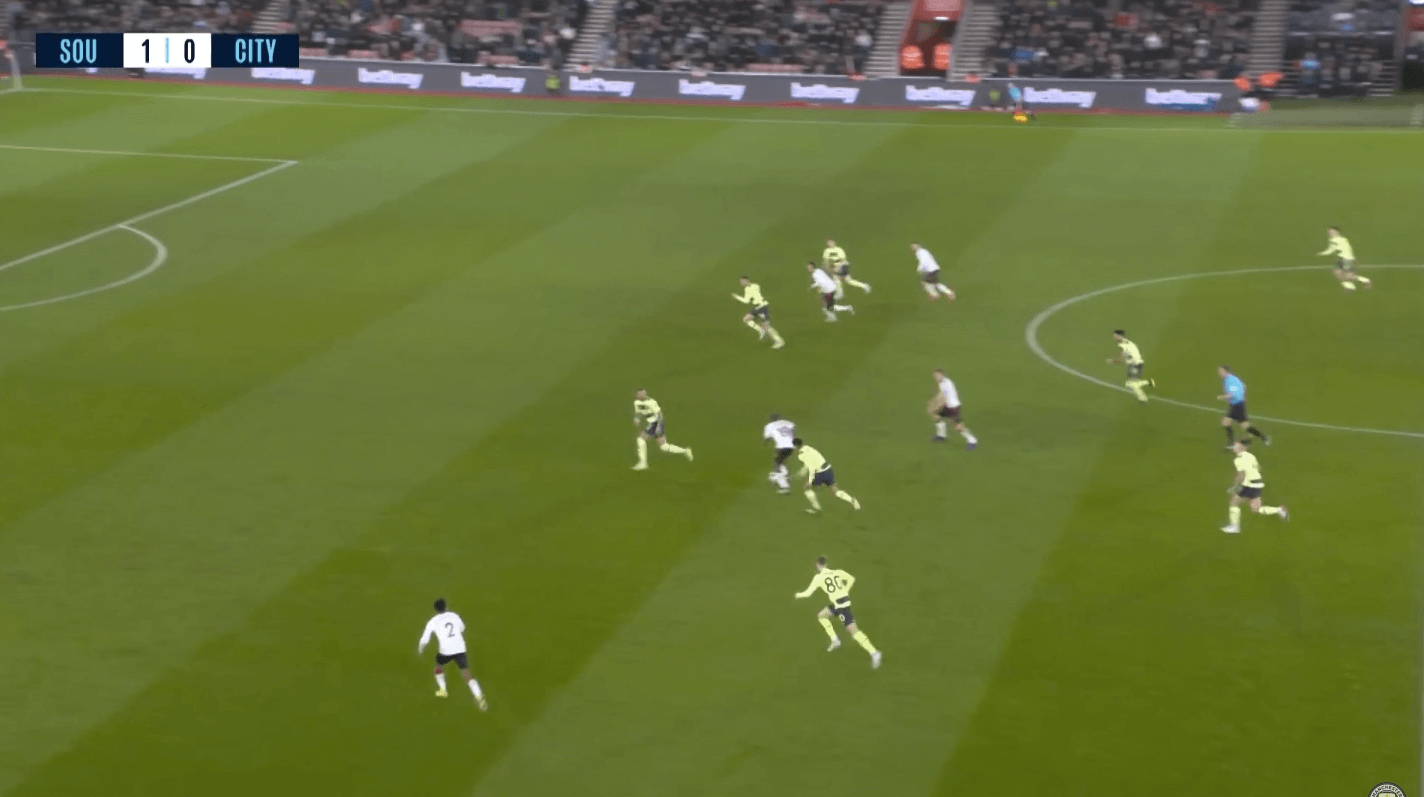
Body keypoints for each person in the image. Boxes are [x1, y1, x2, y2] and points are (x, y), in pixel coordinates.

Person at [793, 556, 882, 669]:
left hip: (841, 607)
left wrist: (798, 595)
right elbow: (851, 579)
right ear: (826, 564)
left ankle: (874, 653)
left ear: (817, 565)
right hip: (840, 603)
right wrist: (845, 590)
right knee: (822, 616)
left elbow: (808, 593)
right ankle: (835, 640)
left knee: (854, 631)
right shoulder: (837, 572)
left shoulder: (818, 578)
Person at [417, 598, 489, 710]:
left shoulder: (433, 621)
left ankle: (443, 690)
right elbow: (462, 628)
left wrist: (420, 648)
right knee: (466, 673)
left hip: (445, 651)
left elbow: (425, 639)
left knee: (438, 667)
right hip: (460, 648)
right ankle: (479, 696)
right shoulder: (454, 616)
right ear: (446, 606)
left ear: (435, 610)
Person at [1221, 440, 1289, 533]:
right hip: (1258, 484)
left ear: (1240, 448)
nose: (1233, 447)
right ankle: (1279, 510)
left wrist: (1235, 486)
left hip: (1250, 485)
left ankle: (1235, 527)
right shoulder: (1251, 456)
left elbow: (1241, 475)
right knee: (1256, 509)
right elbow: (1258, 468)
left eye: (1235, 446)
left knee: (1234, 503)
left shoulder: (1238, 460)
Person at [793, 437, 861, 513]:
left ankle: (817, 508)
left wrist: (809, 482)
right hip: (828, 469)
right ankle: (853, 500)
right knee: (835, 490)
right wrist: (803, 470)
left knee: (807, 489)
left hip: (819, 473)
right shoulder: (809, 448)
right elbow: (810, 462)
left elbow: (811, 468)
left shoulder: (801, 455)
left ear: (795, 446)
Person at [631, 389, 693, 470]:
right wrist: (637, 418)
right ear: (637, 395)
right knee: (664, 446)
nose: (643, 395)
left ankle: (643, 463)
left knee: (640, 439)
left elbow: (660, 415)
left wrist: (658, 427)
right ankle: (685, 451)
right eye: (641, 394)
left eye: (644, 393)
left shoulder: (652, 402)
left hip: (656, 423)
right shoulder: (636, 402)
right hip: (651, 424)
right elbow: (639, 412)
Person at [1216, 366, 1269, 449]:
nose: (1218, 372)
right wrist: (1242, 395)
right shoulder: (1233, 378)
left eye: (1220, 370)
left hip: (1237, 405)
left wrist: (1222, 397)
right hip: (1239, 403)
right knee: (1246, 426)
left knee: (1225, 422)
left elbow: (1232, 393)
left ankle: (1231, 443)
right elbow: (1244, 385)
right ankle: (1264, 437)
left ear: (1225, 371)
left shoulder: (1229, 380)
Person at [928, 369, 978, 449]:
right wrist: (934, 400)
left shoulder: (946, 384)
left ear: (942, 375)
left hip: (953, 407)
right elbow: (940, 393)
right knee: (935, 415)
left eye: (937, 375)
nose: (936, 377)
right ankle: (941, 435)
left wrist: (935, 406)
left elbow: (942, 399)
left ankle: (972, 440)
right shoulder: (942, 382)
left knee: (958, 426)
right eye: (935, 376)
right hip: (948, 406)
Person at [731, 276, 785, 349]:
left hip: (762, 307)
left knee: (766, 326)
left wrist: (736, 297)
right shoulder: (756, 285)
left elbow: (746, 301)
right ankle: (761, 330)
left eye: (742, 281)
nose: (741, 283)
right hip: (756, 307)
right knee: (746, 319)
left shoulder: (748, 288)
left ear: (746, 280)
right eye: (740, 282)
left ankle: (779, 341)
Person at [1318, 226, 1372, 291]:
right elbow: (1333, 249)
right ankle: (1349, 286)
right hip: (1341, 258)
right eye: (1329, 231)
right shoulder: (1341, 239)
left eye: (1332, 231)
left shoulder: (1335, 240)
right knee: (1337, 273)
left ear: (1337, 232)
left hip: (1346, 259)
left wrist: (1321, 253)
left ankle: (1366, 281)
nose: (1330, 233)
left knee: (1348, 276)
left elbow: (1331, 250)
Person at [1108, 329, 1154, 403]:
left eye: (1115, 336)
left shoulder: (1125, 345)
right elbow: (1124, 358)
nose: (1113, 337)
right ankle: (1148, 382)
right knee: (1129, 384)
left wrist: (1113, 361)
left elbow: (1122, 359)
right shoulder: (1125, 343)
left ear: (1119, 336)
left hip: (1135, 364)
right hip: (1133, 364)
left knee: (1132, 384)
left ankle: (1143, 398)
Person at [763, 413, 797, 493]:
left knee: (777, 464)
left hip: (781, 447)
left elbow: (766, 438)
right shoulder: (786, 422)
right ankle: (783, 475)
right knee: (780, 461)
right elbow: (794, 427)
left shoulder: (769, 426)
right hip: (791, 446)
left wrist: (766, 442)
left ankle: (784, 486)